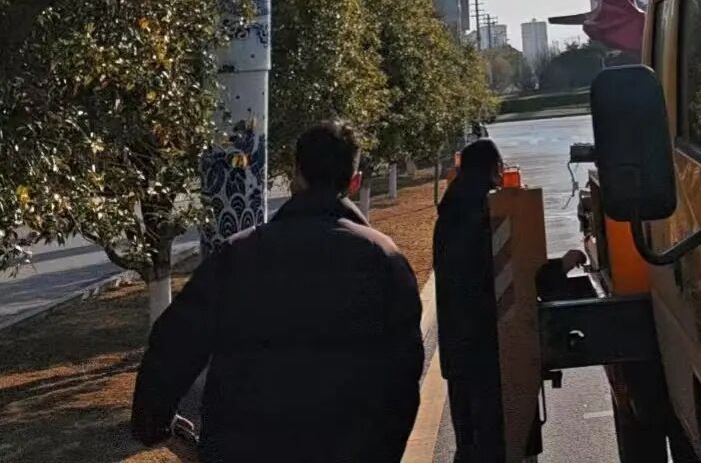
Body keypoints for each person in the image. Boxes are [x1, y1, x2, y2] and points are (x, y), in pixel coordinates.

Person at [131, 120, 422, 463]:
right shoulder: (384, 259)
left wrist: (153, 423)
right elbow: (404, 374)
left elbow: (176, 341)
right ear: (355, 181)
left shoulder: (238, 254)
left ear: (296, 175)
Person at [434, 137, 505, 462]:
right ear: (493, 169)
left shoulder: (449, 212)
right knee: (493, 438)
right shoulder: (489, 213)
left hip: (456, 346)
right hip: (490, 343)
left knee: (468, 436)